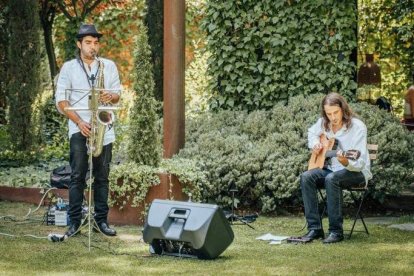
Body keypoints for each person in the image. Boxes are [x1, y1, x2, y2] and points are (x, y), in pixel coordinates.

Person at [55, 24, 121, 237]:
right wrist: (79, 122)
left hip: (103, 129)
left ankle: (101, 221)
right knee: (77, 177)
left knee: (103, 177)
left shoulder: (108, 66)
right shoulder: (68, 68)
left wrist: (110, 96)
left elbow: (118, 94)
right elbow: (61, 101)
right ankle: (74, 222)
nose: (93, 47)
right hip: (79, 127)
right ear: (79, 44)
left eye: (96, 42)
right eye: (88, 43)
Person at [300, 92, 372, 243]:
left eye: (336, 112)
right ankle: (314, 229)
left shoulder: (358, 127)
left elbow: (359, 164)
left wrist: (345, 161)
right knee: (307, 177)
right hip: (331, 169)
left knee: (332, 179)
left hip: (356, 172)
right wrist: (315, 145)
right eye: (329, 113)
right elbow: (311, 133)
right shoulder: (323, 122)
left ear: (343, 109)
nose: (333, 117)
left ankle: (336, 232)